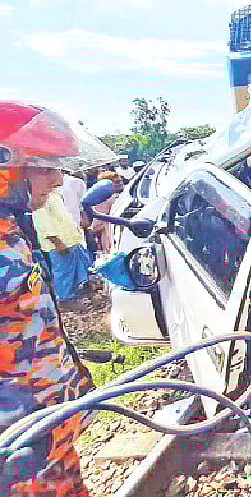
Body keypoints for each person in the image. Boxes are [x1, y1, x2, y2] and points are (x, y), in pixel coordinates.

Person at [0, 101, 97, 495]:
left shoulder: (12, 228)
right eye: (46, 169)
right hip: (17, 436)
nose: (59, 181)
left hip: (46, 425)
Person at [32, 189, 93, 304]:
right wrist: (57, 241)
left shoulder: (56, 194)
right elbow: (42, 222)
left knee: (77, 271)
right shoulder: (39, 197)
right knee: (63, 274)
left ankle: (75, 297)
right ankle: (63, 300)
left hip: (71, 239)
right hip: (58, 243)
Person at [91, 171, 123, 253]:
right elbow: (95, 227)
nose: (120, 184)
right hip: (109, 240)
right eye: (116, 182)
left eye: (120, 181)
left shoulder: (123, 198)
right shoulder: (104, 200)